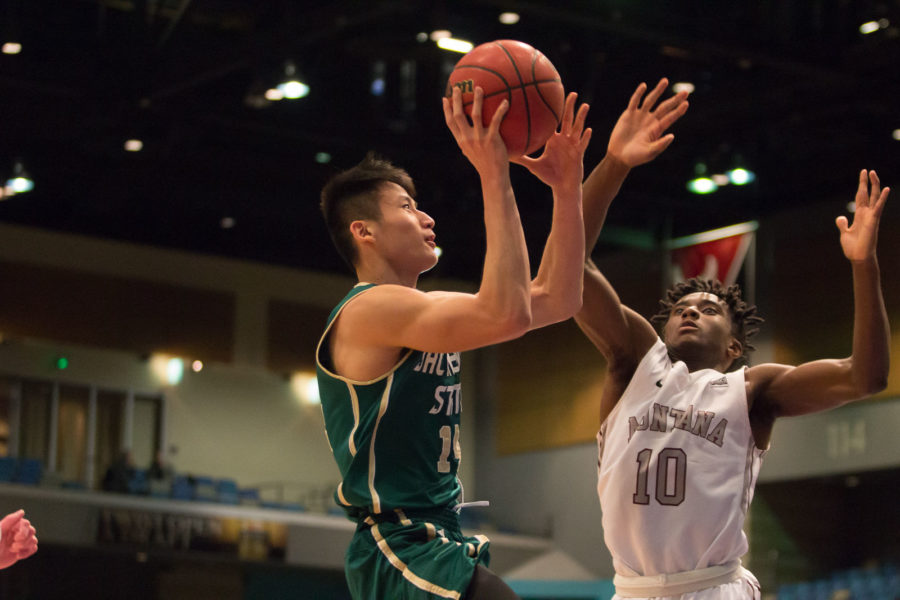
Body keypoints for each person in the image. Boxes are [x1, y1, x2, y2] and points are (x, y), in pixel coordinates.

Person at [576, 79, 890, 599]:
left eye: (709, 309)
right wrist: (615, 164)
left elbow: (866, 376)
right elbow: (569, 267)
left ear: (733, 348)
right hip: (632, 590)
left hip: (712, 589)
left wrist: (864, 264)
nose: (691, 312)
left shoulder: (751, 391)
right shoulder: (634, 361)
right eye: (681, 309)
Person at [316, 86, 591, 600]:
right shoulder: (369, 310)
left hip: (437, 537)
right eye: (406, 206)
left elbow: (558, 298)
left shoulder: (426, 311)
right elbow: (507, 312)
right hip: (396, 543)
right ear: (364, 232)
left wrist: (567, 190)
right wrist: (494, 173)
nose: (427, 218)